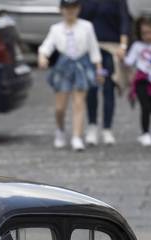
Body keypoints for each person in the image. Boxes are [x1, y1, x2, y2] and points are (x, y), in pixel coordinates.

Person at [37, 0, 103, 152]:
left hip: (81, 64)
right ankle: (60, 130)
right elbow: (46, 47)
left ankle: (77, 136)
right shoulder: (56, 29)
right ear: (61, 10)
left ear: (78, 9)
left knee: (79, 103)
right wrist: (42, 57)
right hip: (64, 65)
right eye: (67, 8)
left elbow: (94, 49)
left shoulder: (87, 26)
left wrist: (98, 69)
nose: (70, 11)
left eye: (73, 8)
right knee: (60, 107)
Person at [79, 0, 131, 146]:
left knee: (108, 88)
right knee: (92, 87)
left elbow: (124, 21)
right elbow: (78, 19)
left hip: (110, 48)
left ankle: (107, 128)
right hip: (89, 49)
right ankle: (92, 126)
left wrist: (123, 45)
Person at [124, 15, 151, 147]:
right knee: (145, 106)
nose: (147, 36)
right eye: (144, 33)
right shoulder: (137, 46)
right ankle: (145, 133)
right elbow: (129, 61)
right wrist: (122, 58)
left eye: (150, 33)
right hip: (142, 80)